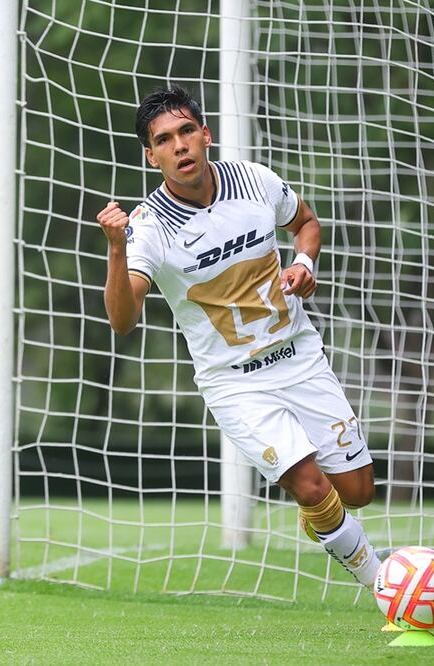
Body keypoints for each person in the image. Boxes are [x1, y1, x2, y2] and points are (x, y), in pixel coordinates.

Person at [96, 85, 382, 588]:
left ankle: (322, 515)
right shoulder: (148, 226)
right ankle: (386, 586)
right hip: (235, 383)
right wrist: (117, 249)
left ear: (206, 134)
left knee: (357, 492)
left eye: (187, 131)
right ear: (151, 156)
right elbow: (123, 319)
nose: (180, 145)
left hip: (300, 356)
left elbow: (306, 222)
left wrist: (304, 262)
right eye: (164, 140)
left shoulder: (253, 179)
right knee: (311, 486)